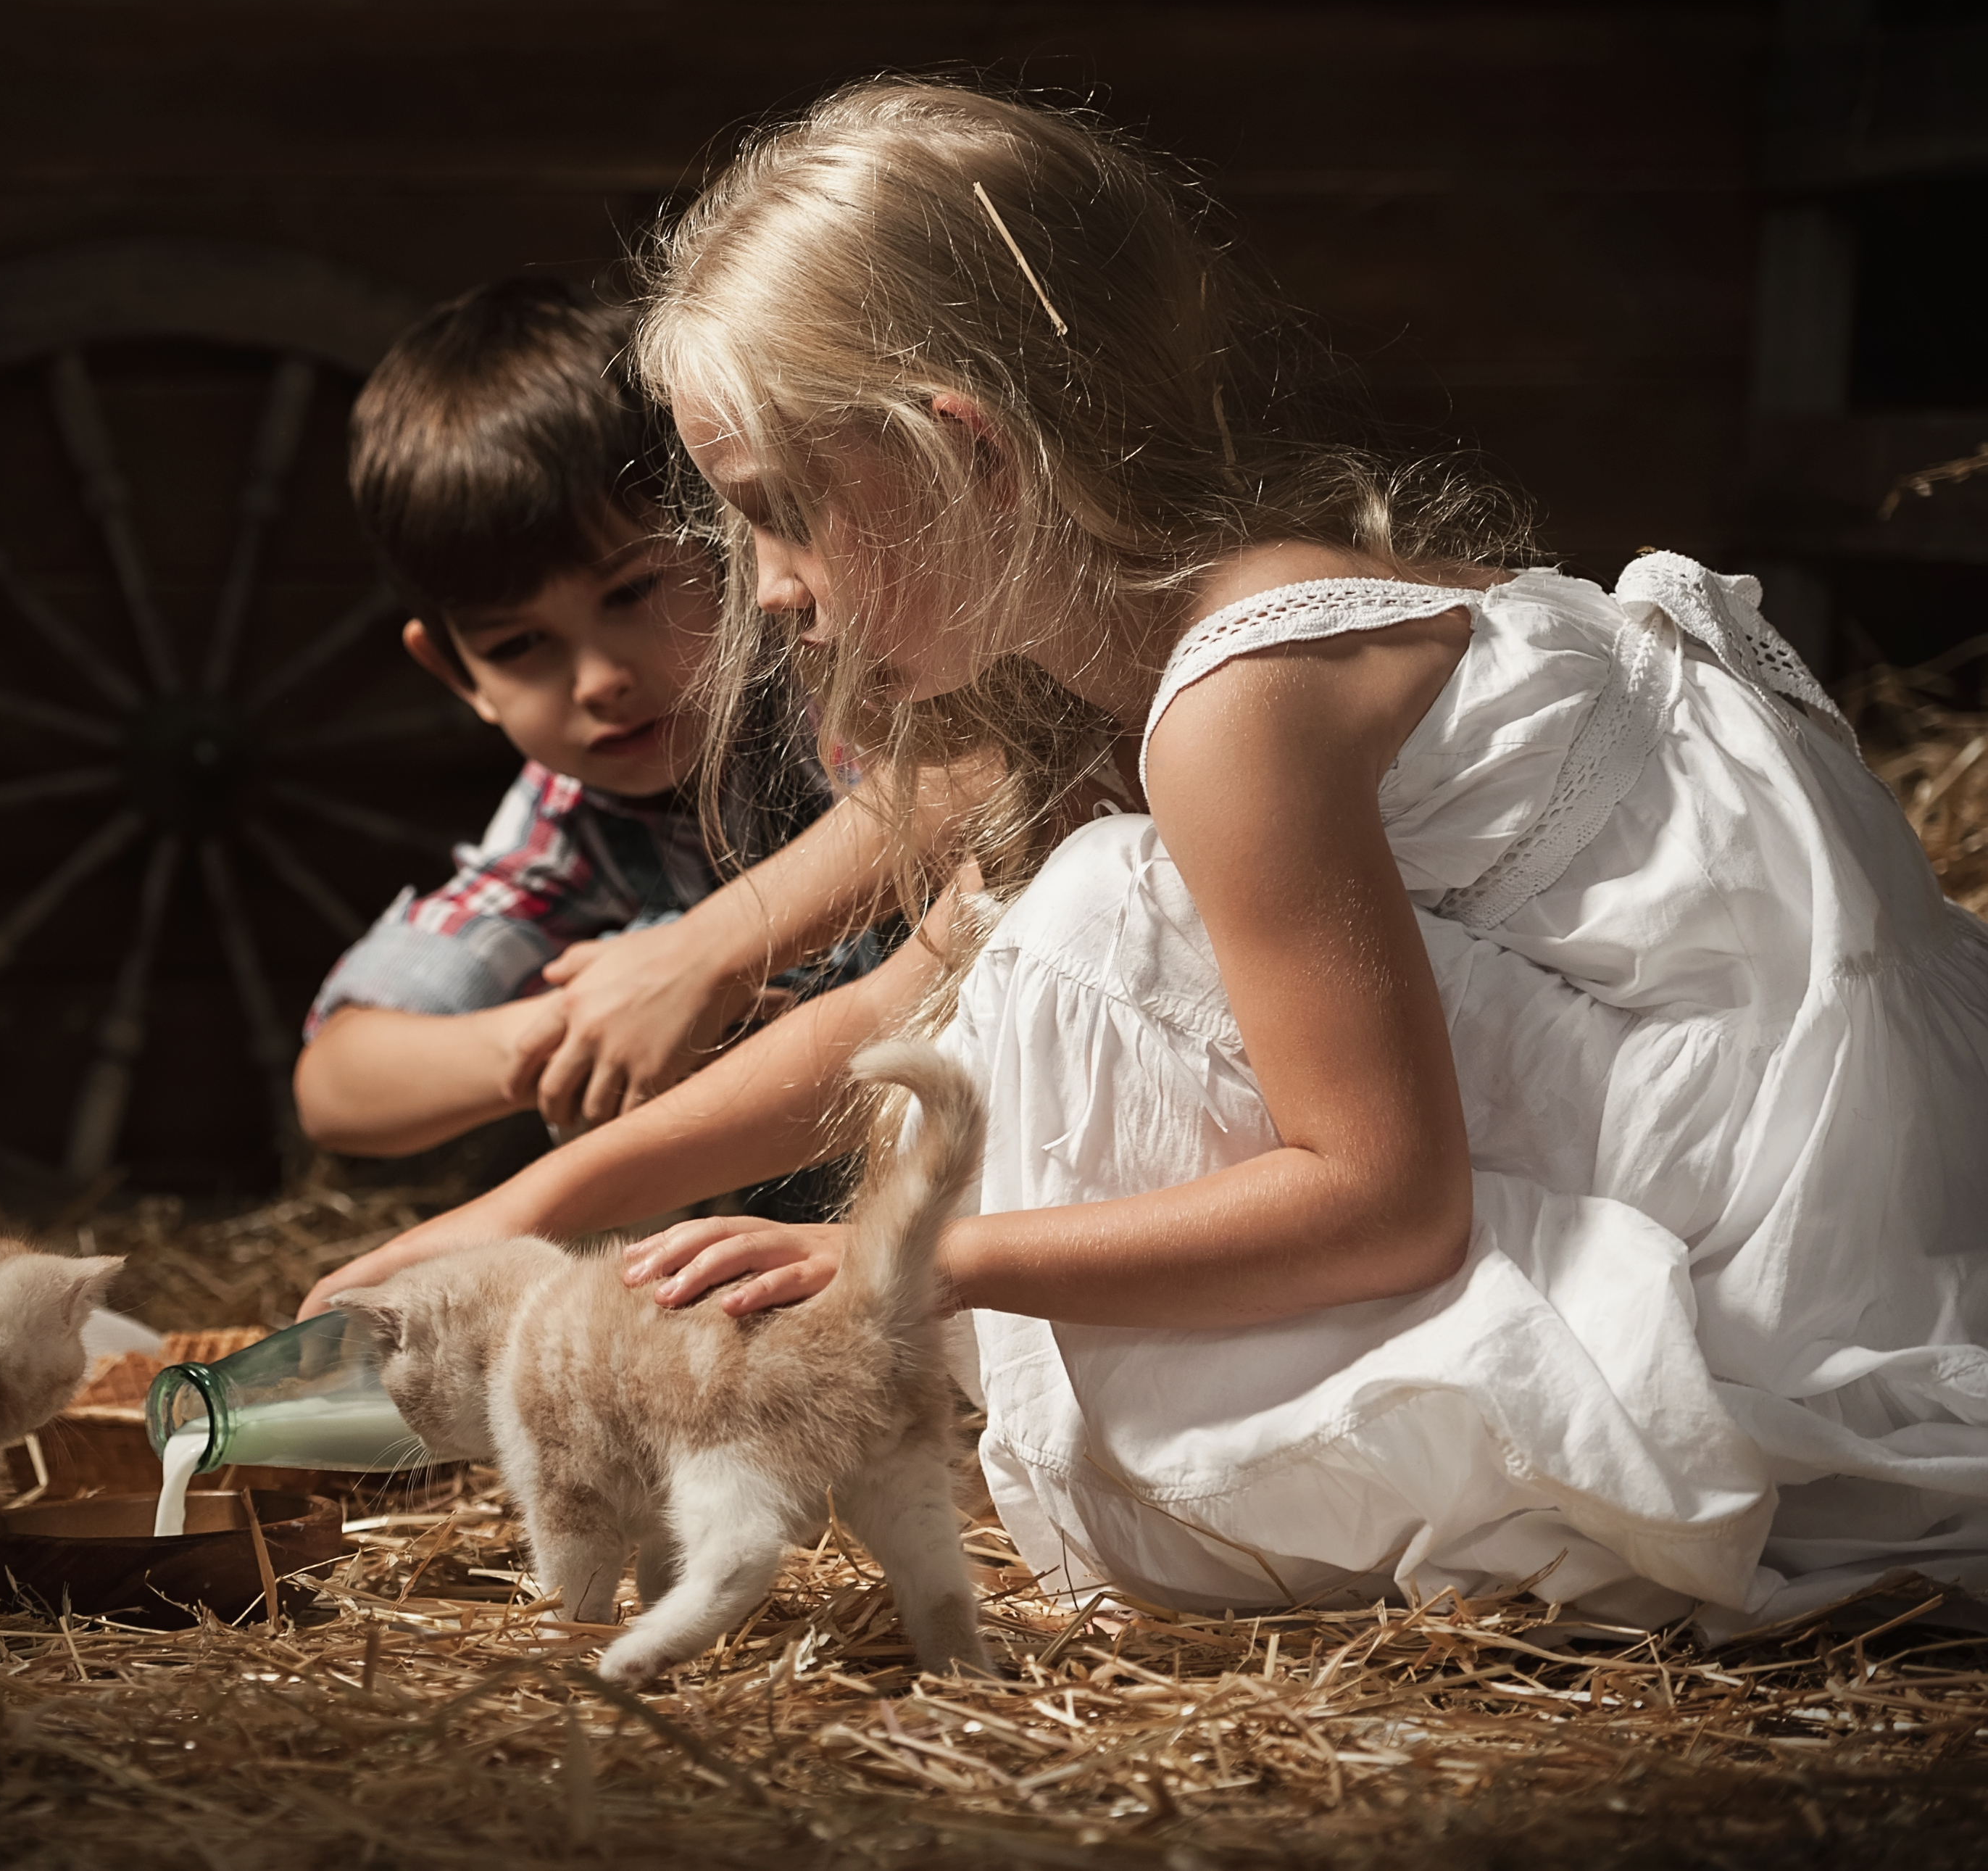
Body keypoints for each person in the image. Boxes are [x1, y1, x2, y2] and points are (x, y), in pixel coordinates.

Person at [313, 80, 1988, 1635]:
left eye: (778, 510)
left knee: (1094, 922)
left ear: (957, 452)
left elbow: (1382, 1201)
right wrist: (530, 1204)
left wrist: (900, 1262)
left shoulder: (1236, 696)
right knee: (1045, 933)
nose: (766, 588)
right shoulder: (1125, 658)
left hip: (1769, 1223)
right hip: (1735, 1131)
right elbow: (916, 1000)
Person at [291, 278, 926, 1172]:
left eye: (632, 593)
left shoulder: (840, 672)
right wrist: (595, 1019)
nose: (599, 681)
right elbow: (336, 1084)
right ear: (454, 673)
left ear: (726, 540)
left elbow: (961, 787)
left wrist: (703, 957)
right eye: (519, 647)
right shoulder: (571, 815)